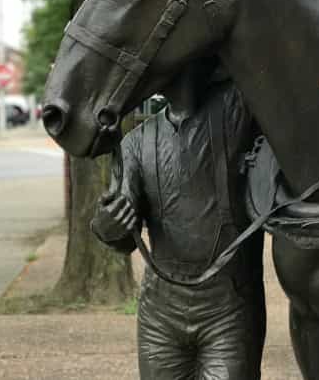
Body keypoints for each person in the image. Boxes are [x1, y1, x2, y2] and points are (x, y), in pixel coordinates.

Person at [91, 61, 266, 380]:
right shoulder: (137, 142)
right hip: (160, 313)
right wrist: (109, 224)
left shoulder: (237, 109)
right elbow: (120, 236)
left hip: (228, 307)